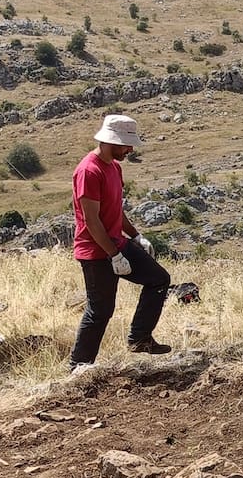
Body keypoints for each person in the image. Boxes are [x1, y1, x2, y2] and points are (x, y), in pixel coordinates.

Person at [69, 114, 171, 369]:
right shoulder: (88, 171)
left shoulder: (114, 167)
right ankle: (78, 367)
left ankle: (140, 339)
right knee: (100, 311)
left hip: (116, 242)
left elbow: (115, 209)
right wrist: (114, 255)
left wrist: (135, 235)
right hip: (95, 250)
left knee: (159, 279)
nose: (130, 149)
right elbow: (92, 222)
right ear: (110, 142)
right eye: (125, 145)